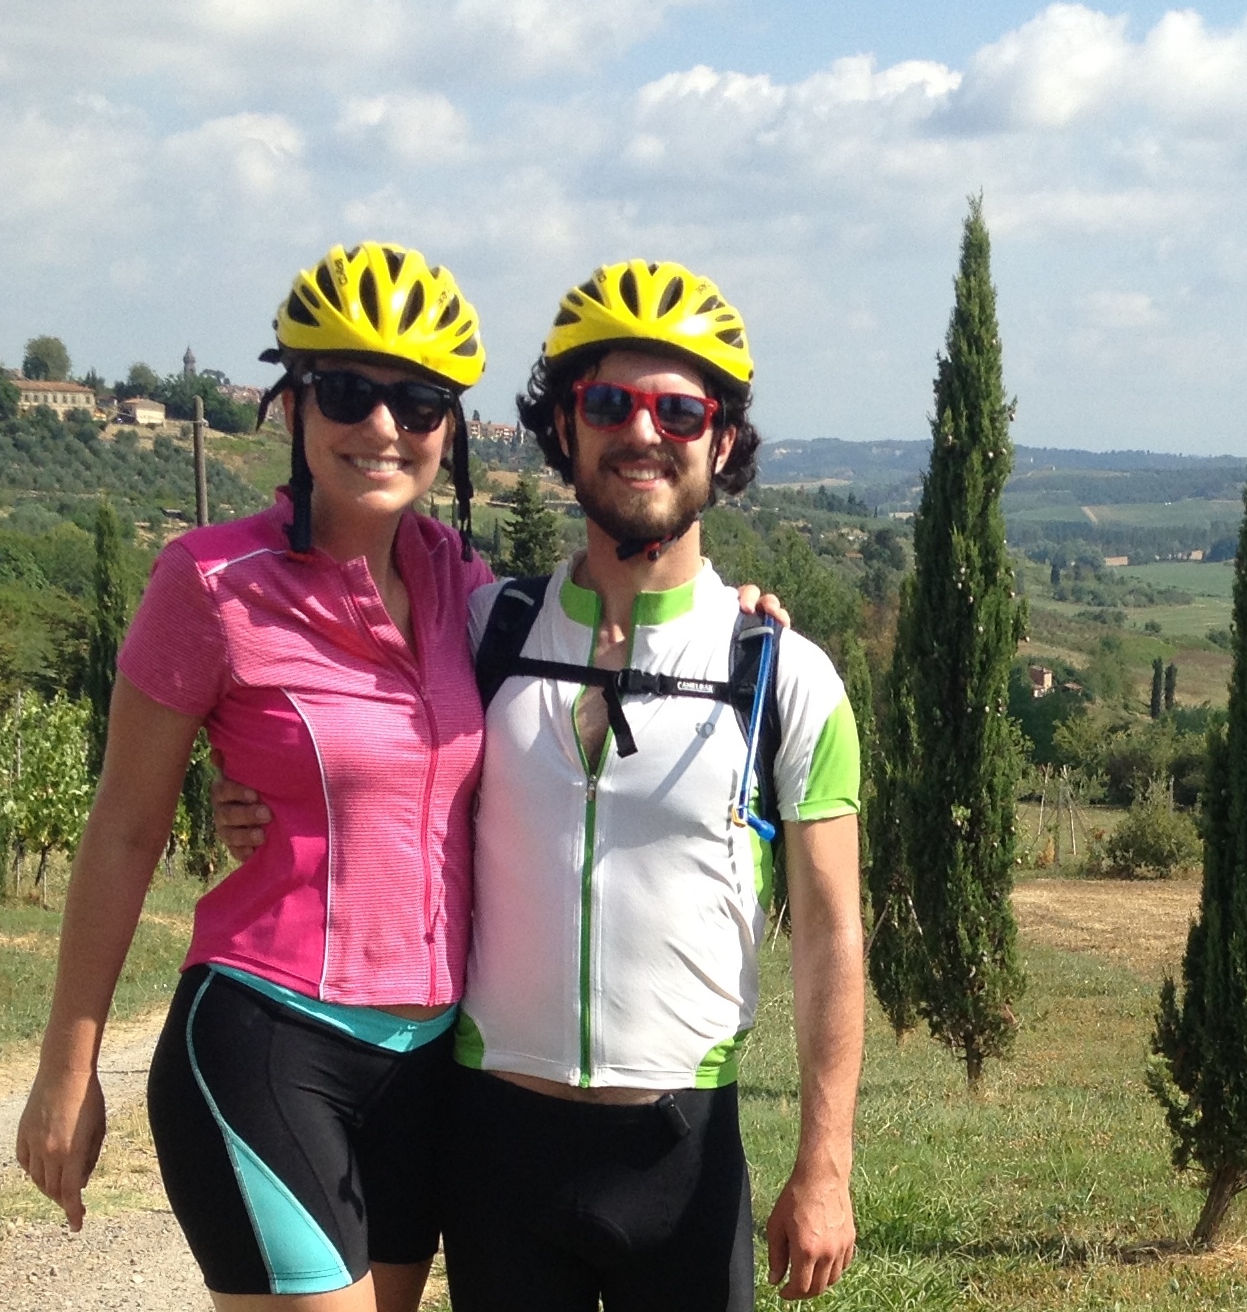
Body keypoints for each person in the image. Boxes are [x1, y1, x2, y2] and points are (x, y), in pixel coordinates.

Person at [220, 259, 864, 1309]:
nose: (641, 431)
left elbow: (835, 931)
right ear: (562, 428)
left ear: (725, 441)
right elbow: (342, 740)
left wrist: (825, 1165)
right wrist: (244, 784)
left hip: (683, 1153)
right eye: (606, 402)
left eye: (679, 408)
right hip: (496, 1150)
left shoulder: (782, 674)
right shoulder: (480, 627)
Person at [16, 241, 494, 1312]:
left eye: (417, 404)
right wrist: (66, 1067)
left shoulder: (467, 590)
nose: (382, 427)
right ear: (293, 408)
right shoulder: (210, 583)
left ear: (449, 429)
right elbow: (125, 827)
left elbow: (598, 646)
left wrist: (737, 617)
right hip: (267, 1038)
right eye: (347, 392)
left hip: (428, 1063)